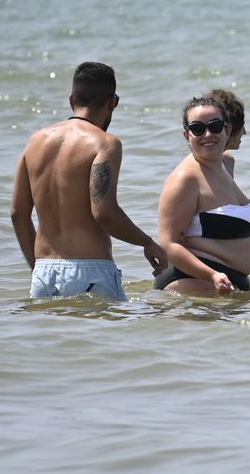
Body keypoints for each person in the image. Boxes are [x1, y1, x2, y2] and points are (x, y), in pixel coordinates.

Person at [11, 61, 166, 299]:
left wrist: (39, 268)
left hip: (43, 272)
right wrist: (147, 243)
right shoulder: (105, 143)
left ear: (71, 99)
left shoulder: (35, 141)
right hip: (91, 272)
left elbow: (18, 214)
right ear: (113, 102)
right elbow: (103, 212)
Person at [154, 95, 250, 296]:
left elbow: (219, 233)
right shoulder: (185, 179)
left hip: (226, 282)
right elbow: (169, 244)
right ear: (187, 135)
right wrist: (212, 274)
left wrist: (247, 264)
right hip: (194, 281)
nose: (208, 134)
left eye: (215, 126)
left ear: (227, 129)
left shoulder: (224, 164)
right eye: (198, 128)